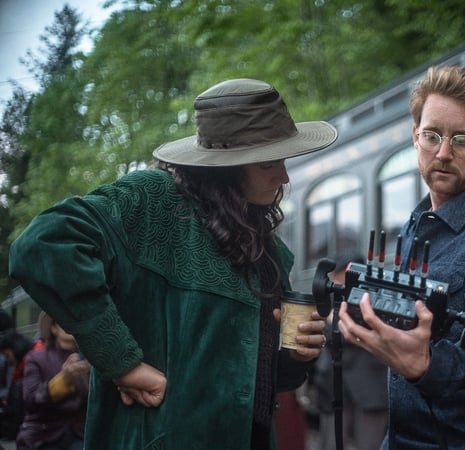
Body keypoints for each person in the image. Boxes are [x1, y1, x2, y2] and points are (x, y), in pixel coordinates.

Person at [8, 78, 337, 449]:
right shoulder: (154, 201)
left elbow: (254, 379)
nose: (284, 176)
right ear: (225, 167)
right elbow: (43, 245)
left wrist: (294, 355)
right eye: (268, 163)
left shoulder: (266, 246)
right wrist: (122, 363)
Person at [337, 65, 465, 449]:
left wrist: (427, 364)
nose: (444, 153)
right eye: (432, 136)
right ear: (415, 136)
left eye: (461, 140)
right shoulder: (415, 223)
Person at [315, 253, 388, 450]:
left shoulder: (376, 296)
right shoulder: (330, 297)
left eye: (339, 274)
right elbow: (323, 332)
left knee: (370, 444)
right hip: (333, 386)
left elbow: (358, 333)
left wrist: (334, 324)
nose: (334, 279)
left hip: (370, 388)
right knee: (330, 443)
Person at [17, 313, 90, 450]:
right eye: (64, 320)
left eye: (74, 320)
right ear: (53, 328)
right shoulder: (36, 358)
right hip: (43, 435)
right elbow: (31, 400)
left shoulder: (89, 359)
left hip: (79, 435)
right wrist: (64, 379)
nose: (70, 325)